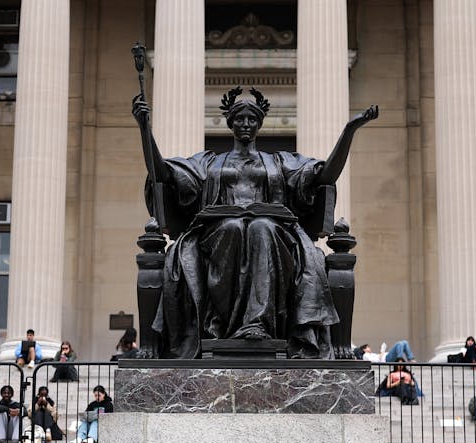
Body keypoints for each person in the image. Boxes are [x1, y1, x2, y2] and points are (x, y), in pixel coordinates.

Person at [133, 86, 378, 359]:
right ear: (230, 123)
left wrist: (349, 131)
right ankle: (219, 325)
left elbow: (325, 176)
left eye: (252, 119)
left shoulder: (279, 162)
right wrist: (144, 128)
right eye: (240, 119)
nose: (246, 124)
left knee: (261, 227)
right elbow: (163, 173)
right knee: (233, 227)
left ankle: (256, 324)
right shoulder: (209, 163)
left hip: (273, 232)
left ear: (259, 124)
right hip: (217, 231)